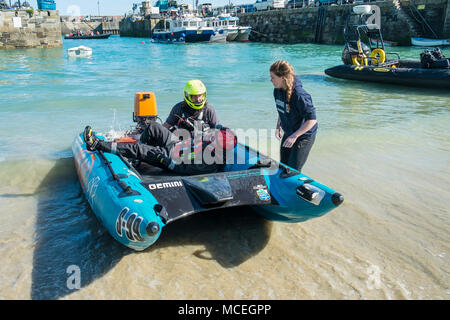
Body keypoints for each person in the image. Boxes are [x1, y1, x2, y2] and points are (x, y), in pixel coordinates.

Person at [83, 121, 237, 175]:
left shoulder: (208, 163)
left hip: (170, 158)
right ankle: (136, 160)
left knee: (141, 151)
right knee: (154, 127)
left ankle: (97, 144)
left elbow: (183, 169)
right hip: (176, 144)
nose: (212, 136)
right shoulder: (213, 139)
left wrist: (165, 160)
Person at [269, 60, 318, 172]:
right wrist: (278, 126)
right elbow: (281, 108)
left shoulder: (300, 95)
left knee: (292, 171)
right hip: (290, 132)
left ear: (282, 77)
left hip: (304, 135)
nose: (270, 80)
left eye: (273, 77)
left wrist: (295, 136)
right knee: (283, 167)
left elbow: (312, 120)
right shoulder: (277, 91)